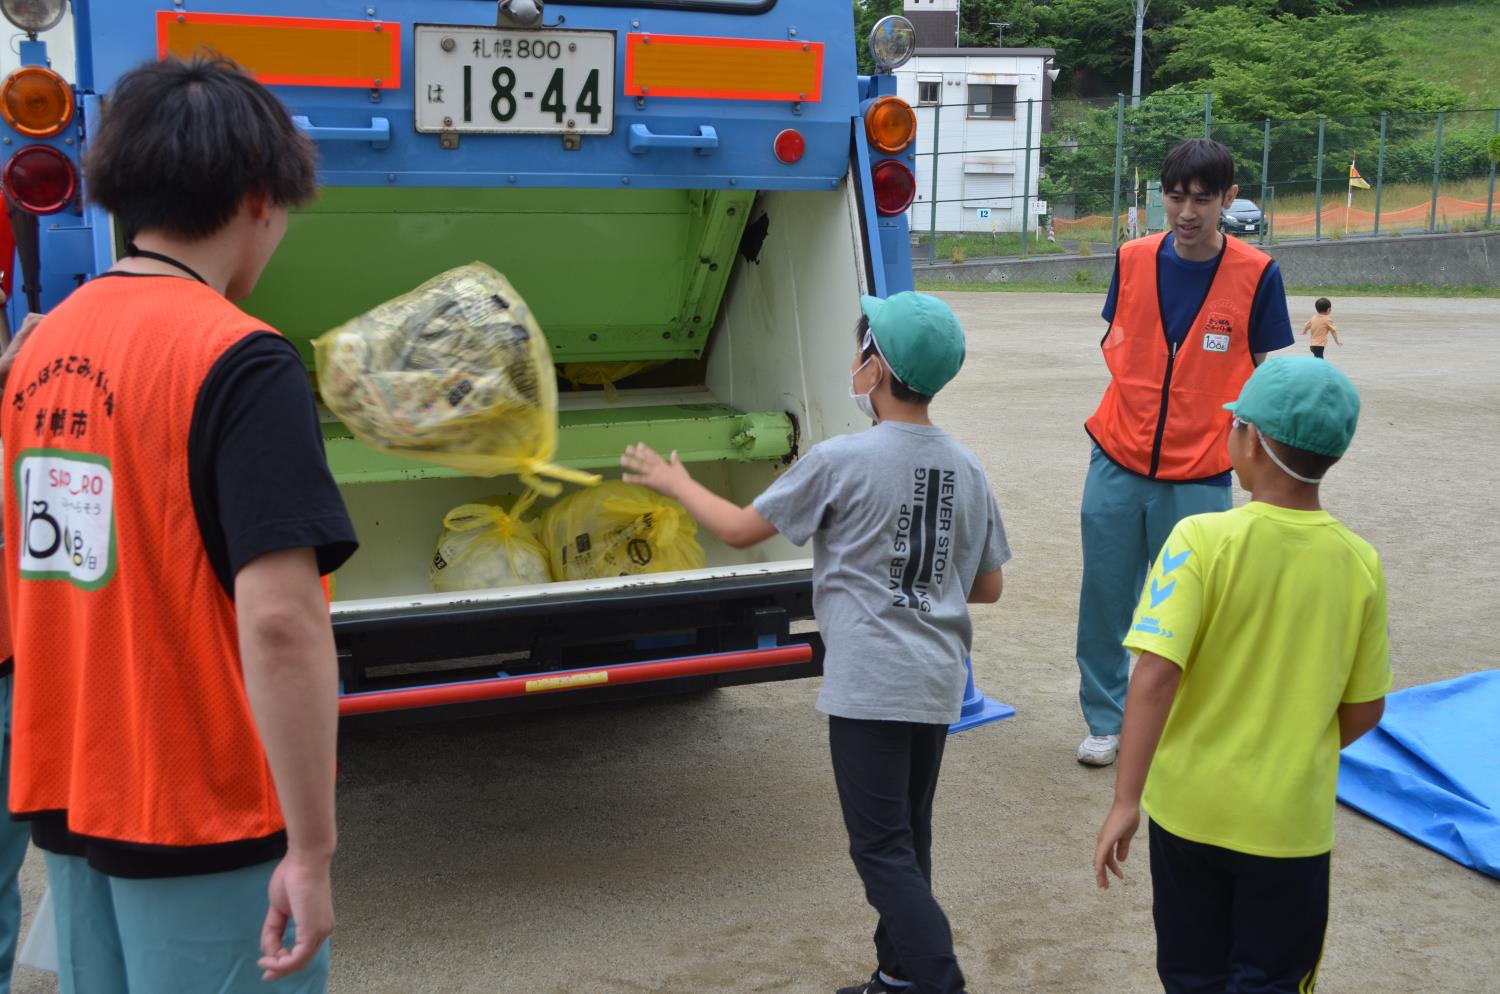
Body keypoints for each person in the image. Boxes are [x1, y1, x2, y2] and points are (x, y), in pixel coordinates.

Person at [0, 57, 356, 991]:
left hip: (75, 795)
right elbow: (281, 621)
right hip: (204, 812)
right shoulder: (240, 358)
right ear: (256, 200)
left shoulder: (46, 346)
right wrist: (312, 851)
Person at [620, 292, 1009, 994]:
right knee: (909, 839)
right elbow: (988, 587)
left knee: (880, 849)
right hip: (935, 681)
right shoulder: (966, 466)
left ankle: (940, 983)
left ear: (875, 368)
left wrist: (673, 481)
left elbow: (741, 530)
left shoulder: (843, 459)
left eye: (861, 348)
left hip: (870, 684)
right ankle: (897, 977)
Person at [1093, 356, 1389, 993]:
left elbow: (1153, 678)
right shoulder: (1360, 562)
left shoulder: (1200, 537)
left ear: (1248, 440)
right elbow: (1366, 711)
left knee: (1192, 973)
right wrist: (1287, 747)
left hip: (1189, 811)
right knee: (1272, 979)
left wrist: (1125, 800)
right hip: (1288, 825)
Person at [1075, 138, 1294, 767]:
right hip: (1117, 453)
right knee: (1105, 598)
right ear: (1161, 197)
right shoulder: (1132, 257)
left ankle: (1182, 722)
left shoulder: (1258, 273)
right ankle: (1105, 719)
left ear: (1229, 198)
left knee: (1195, 607)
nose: (1188, 212)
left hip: (1201, 471)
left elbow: (1263, 379)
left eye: (1203, 199)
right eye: (1176, 197)